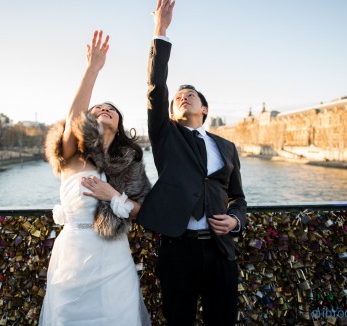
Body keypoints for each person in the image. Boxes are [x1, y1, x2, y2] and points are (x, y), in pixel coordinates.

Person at [136, 1, 248, 325]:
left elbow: (238, 198)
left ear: (205, 108)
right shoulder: (165, 135)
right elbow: (156, 88)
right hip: (177, 250)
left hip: (221, 250)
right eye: (178, 97)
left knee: (223, 320)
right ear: (171, 112)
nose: (183, 97)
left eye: (191, 95)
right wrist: (161, 31)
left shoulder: (226, 147)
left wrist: (235, 222)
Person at [40, 30, 151, 326]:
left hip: (115, 263)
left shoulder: (130, 167)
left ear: (120, 123)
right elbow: (74, 114)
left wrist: (112, 196)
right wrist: (92, 69)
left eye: (112, 109)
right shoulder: (72, 155)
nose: (105, 109)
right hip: (73, 263)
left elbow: (145, 213)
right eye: (98, 108)